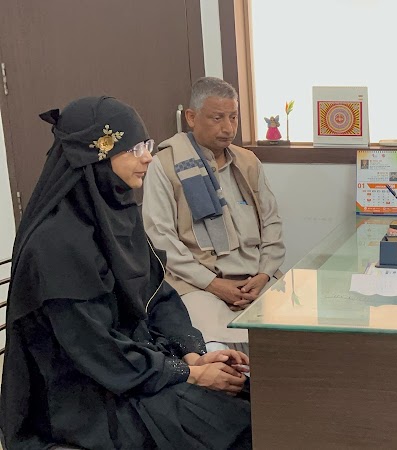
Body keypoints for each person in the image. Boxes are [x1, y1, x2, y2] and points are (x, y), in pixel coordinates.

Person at [0, 96, 252, 449]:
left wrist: (194, 354)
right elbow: (95, 350)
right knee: (237, 427)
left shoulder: (119, 214)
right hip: (89, 394)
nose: (148, 156)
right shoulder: (55, 247)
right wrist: (190, 375)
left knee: (251, 394)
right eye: (134, 148)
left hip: (136, 367)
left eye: (146, 145)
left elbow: (158, 297)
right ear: (95, 156)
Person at [142, 77, 285, 355]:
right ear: (191, 117)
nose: (228, 128)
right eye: (217, 118)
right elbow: (160, 238)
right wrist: (214, 284)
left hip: (255, 280)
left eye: (233, 117)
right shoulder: (164, 165)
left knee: (288, 337)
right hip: (198, 283)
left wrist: (265, 273)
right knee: (217, 349)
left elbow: (272, 224)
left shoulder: (247, 162)